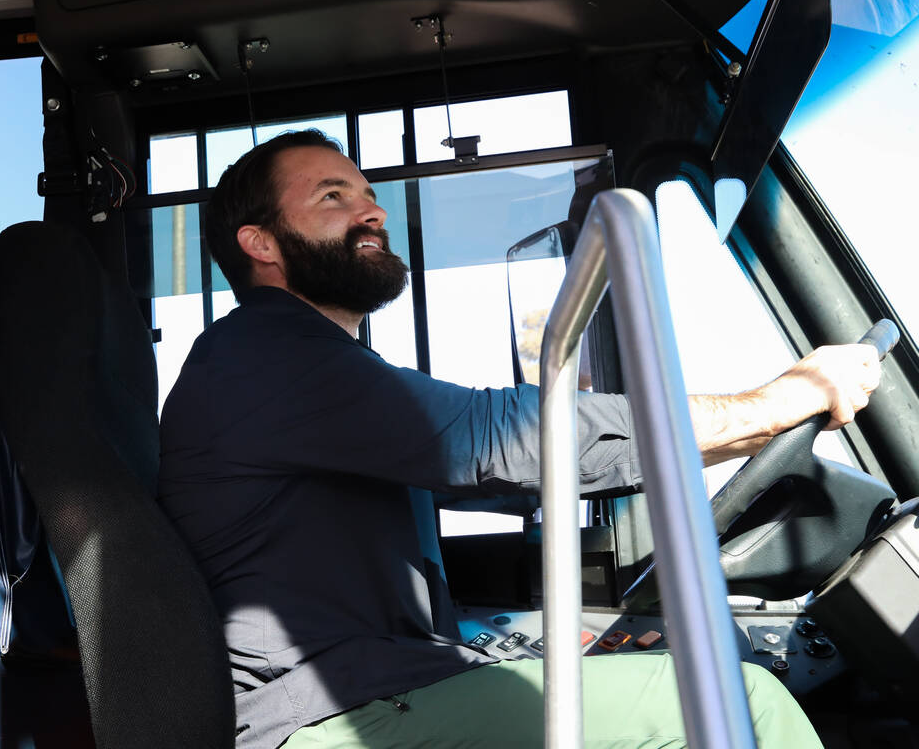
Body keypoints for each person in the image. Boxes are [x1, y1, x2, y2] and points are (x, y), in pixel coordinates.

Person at [157, 130, 881, 749]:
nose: (371, 210)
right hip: (322, 720)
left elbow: (519, 468)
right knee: (744, 705)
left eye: (368, 194)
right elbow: (496, 439)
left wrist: (749, 431)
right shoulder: (262, 354)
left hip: (371, 689)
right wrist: (774, 405)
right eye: (332, 196)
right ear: (260, 242)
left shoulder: (309, 374)